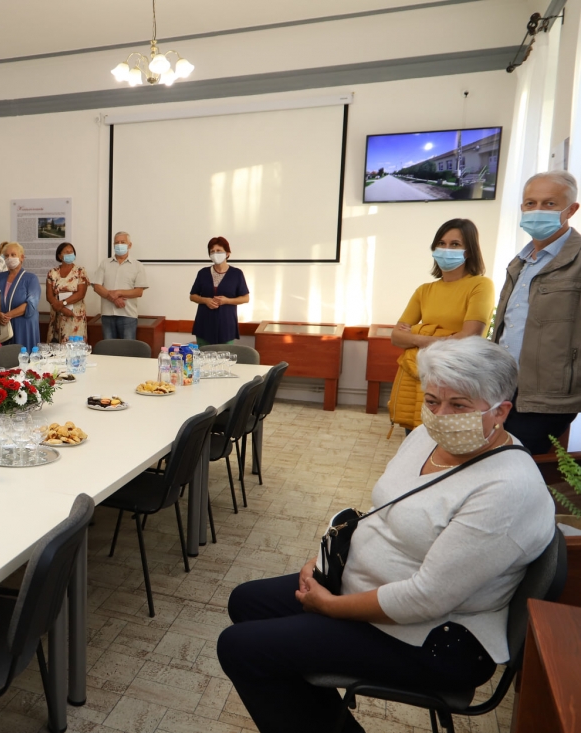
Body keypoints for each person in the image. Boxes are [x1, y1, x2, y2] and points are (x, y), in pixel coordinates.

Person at [216, 337, 555, 733]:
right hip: (373, 586)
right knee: (246, 602)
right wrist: (323, 563)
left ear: (501, 411)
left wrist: (330, 606)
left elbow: (426, 598)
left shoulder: (507, 489)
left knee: (240, 647)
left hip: (434, 637)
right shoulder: (429, 437)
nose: (440, 415)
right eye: (432, 401)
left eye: (459, 405)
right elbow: (384, 514)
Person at [493, 170, 581, 454]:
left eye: (549, 203)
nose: (537, 210)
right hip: (502, 386)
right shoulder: (520, 261)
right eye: (531, 203)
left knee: (517, 463)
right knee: (491, 462)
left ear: (571, 210)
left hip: (547, 397)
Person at [387, 219, 494, 433]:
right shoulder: (424, 290)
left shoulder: (481, 285)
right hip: (424, 378)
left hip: (458, 379)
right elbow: (396, 336)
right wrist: (441, 338)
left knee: (449, 441)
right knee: (416, 438)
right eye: (441, 243)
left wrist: (416, 335)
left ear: (469, 251)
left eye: (455, 244)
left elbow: (469, 337)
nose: (446, 249)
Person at [189, 237, 250, 346]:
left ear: (227, 253)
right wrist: (205, 300)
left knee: (225, 355)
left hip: (226, 325)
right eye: (212, 251)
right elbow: (193, 296)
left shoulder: (236, 274)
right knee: (203, 355)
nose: (215, 254)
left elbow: (245, 298)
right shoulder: (203, 273)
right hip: (204, 325)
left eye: (219, 251)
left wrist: (227, 301)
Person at [91, 231, 149, 340]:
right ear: (113, 245)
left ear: (129, 245)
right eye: (117, 242)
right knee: (109, 348)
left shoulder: (138, 266)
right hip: (107, 314)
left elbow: (139, 292)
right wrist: (114, 298)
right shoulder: (105, 263)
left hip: (128, 315)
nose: (119, 245)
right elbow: (96, 286)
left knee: (127, 348)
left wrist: (119, 292)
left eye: (123, 242)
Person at [0, 242, 40, 350]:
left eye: (13, 255)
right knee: (4, 356)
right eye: (6, 255)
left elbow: (31, 304)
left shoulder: (31, 279)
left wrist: (7, 316)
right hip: (2, 326)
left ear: (22, 257)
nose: (9, 258)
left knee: (23, 355)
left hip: (23, 325)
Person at [45, 242, 89, 343]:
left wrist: (63, 303)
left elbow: (81, 294)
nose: (70, 254)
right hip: (57, 315)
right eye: (66, 252)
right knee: (56, 347)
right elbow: (49, 296)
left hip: (74, 316)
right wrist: (62, 309)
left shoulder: (80, 271)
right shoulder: (52, 272)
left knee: (74, 346)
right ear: (59, 256)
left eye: (71, 252)